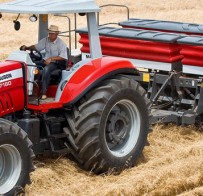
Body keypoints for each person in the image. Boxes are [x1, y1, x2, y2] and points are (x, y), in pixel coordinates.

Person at [21, 25, 68, 100]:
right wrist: (27, 47)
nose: (50, 35)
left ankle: (43, 93)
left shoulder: (61, 44)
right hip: (46, 60)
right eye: (49, 33)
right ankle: (29, 88)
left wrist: (51, 58)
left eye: (52, 33)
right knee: (32, 65)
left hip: (57, 63)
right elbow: (36, 47)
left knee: (46, 69)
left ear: (56, 34)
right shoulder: (46, 40)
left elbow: (63, 57)